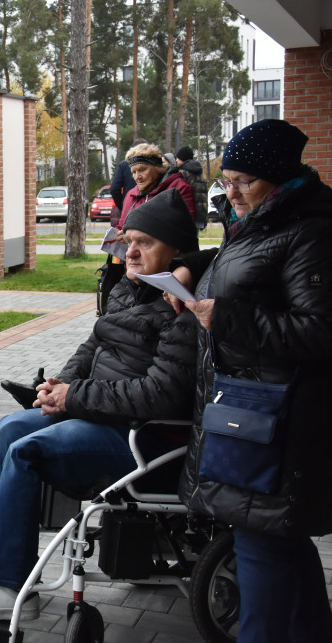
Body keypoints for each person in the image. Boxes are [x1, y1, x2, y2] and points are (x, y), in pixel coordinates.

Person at [0, 190, 199, 622]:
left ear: (178, 252)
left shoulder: (181, 306)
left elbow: (160, 394)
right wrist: (60, 385)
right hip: (103, 415)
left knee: (26, 450)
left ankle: (11, 589)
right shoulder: (128, 287)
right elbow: (93, 344)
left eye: (146, 243)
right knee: (10, 428)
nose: (132, 252)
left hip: (143, 437)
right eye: (128, 241)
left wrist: (75, 397)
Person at [172, 119, 332, 642]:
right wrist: (191, 267)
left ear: (280, 178)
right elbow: (244, 264)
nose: (231, 191)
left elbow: (320, 331)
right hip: (252, 411)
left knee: (262, 542)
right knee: (280, 544)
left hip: (277, 421)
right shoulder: (268, 218)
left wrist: (227, 317)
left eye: (244, 181)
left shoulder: (312, 229)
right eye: (227, 178)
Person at [117, 143, 197, 228]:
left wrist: (138, 235)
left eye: (142, 170)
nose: (137, 177)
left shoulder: (179, 189)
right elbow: (122, 226)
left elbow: (185, 229)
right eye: (134, 172)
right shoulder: (131, 195)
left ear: (157, 168)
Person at [107, 138, 146, 227]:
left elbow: (114, 188)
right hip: (147, 206)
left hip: (130, 206)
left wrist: (123, 205)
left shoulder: (124, 164)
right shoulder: (153, 165)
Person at [174, 145, 208, 229]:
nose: (176, 160)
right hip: (200, 216)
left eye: (177, 158)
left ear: (182, 158)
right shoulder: (200, 173)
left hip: (187, 215)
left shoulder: (183, 173)